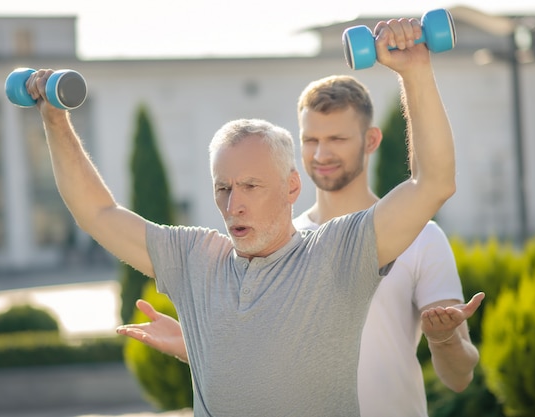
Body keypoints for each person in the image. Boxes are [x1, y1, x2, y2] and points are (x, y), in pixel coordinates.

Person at [29, 17, 458, 417]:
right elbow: (97, 212)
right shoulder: (194, 259)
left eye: (251, 186)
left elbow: (432, 183)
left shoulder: (338, 252)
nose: (234, 204)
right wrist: (55, 119)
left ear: (292, 187)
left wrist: (414, 71)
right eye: (223, 188)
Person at [119, 74, 483, 416]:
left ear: (371, 140)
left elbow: (459, 376)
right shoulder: (271, 244)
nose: (321, 154)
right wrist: (197, 345)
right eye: (311, 140)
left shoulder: (421, 237)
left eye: (337, 139)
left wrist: (444, 338)